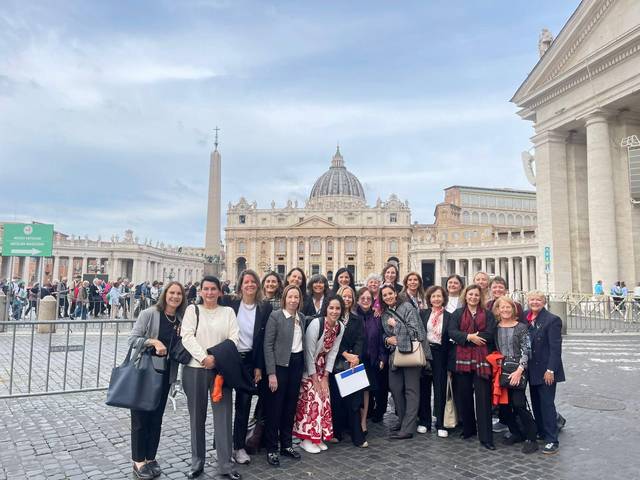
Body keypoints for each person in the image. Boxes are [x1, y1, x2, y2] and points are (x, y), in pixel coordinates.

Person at [181, 276, 242, 480]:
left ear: (219, 291)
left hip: (220, 370)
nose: (209, 293)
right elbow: (186, 336)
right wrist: (203, 357)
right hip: (194, 369)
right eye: (205, 289)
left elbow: (234, 338)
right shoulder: (192, 310)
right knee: (197, 417)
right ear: (200, 291)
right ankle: (197, 462)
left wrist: (215, 358)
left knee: (224, 417)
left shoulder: (228, 312)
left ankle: (225, 464)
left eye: (213, 289)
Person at [127, 281, 185, 479]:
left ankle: (151, 457)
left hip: (166, 376)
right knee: (140, 419)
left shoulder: (179, 320)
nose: (175, 297)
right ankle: (138, 461)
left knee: (156, 419)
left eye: (179, 294)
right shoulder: (149, 314)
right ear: (165, 294)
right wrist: (153, 341)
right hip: (145, 374)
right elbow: (133, 339)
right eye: (172, 293)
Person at [219, 270, 272, 465]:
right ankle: (222, 446)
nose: (249, 285)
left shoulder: (264, 308)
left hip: (250, 360)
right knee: (222, 405)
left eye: (253, 282)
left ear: (257, 285)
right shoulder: (229, 303)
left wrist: (259, 367)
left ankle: (239, 446)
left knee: (244, 404)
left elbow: (262, 340)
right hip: (229, 358)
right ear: (240, 285)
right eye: (246, 282)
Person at [293, 295, 345, 453]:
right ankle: (306, 439)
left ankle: (317, 436)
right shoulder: (317, 324)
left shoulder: (340, 327)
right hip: (309, 369)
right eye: (331, 308)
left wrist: (326, 377)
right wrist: (314, 377)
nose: (334, 311)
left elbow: (333, 352)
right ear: (326, 308)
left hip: (323, 369)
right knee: (311, 402)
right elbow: (308, 353)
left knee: (324, 400)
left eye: (337, 308)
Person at [448, 284, 496, 450]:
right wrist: (468, 337)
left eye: (476, 295)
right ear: (465, 296)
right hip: (462, 360)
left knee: (483, 399)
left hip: (482, 360)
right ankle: (469, 429)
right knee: (464, 396)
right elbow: (451, 331)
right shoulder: (458, 313)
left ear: (480, 297)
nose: (473, 297)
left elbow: (490, 333)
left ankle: (486, 437)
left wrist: (474, 338)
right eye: (470, 294)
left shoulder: (488, 314)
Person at [263, 285, 306, 467]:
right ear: (285, 298)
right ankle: (272, 447)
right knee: (275, 408)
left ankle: (286, 444)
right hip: (280, 366)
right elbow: (268, 345)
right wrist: (271, 373)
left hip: (296, 364)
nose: (293, 300)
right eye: (290, 297)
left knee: (290, 407)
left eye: (296, 297)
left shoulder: (301, 318)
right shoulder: (276, 316)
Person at [381, 284, 428, 440]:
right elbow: (383, 335)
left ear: (396, 293)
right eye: (384, 295)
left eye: (390, 293)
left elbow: (416, 331)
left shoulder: (407, 307)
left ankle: (408, 428)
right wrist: (388, 339)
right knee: (395, 389)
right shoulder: (385, 313)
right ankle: (403, 421)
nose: (387, 296)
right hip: (395, 356)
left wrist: (397, 326)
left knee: (411, 391)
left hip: (410, 354)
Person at [493, 296, 538, 454]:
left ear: (513, 309)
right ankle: (516, 433)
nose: (505, 310)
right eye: (502, 307)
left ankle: (532, 438)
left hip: (518, 368)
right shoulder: (496, 327)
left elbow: (527, 350)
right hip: (502, 370)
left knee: (518, 404)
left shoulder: (522, 327)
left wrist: (520, 370)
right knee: (504, 407)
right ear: (497, 310)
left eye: (508, 307)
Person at [525, 291, 565, 455]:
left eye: (538, 300)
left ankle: (551, 439)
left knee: (547, 404)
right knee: (536, 403)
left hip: (546, 370)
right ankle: (542, 432)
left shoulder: (552, 320)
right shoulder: (526, 317)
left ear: (544, 302)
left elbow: (556, 349)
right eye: (532, 299)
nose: (535, 302)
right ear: (528, 301)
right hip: (532, 369)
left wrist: (551, 370)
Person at [329, 285, 367, 447]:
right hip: (335, 361)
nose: (347, 299)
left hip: (352, 363)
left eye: (349, 297)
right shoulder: (332, 316)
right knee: (336, 400)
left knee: (354, 401)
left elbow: (360, 339)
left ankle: (357, 435)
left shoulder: (356, 319)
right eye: (344, 296)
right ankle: (336, 432)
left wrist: (355, 357)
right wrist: (345, 353)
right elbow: (329, 341)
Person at [418, 285, 452, 438]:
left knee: (440, 388)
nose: (436, 299)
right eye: (433, 296)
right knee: (424, 387)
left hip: (441, 354)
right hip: (425, 352)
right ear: (429, 299)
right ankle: (424, 421)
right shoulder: (423, 313)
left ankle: (440, 423)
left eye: (439, 296)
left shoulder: (450, 316)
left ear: (444, 299)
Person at [356, 286, 386, 435]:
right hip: (356, 359)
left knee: (366, 391)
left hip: (370, 358)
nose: (366, 301)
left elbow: (381, 337)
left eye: (369, 298)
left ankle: (363, 421)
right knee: (355, 392)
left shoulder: (376, 316)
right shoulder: (354, 314)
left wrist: (382, 356)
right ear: (358, 300)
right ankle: (353, 420)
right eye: (363, 298)